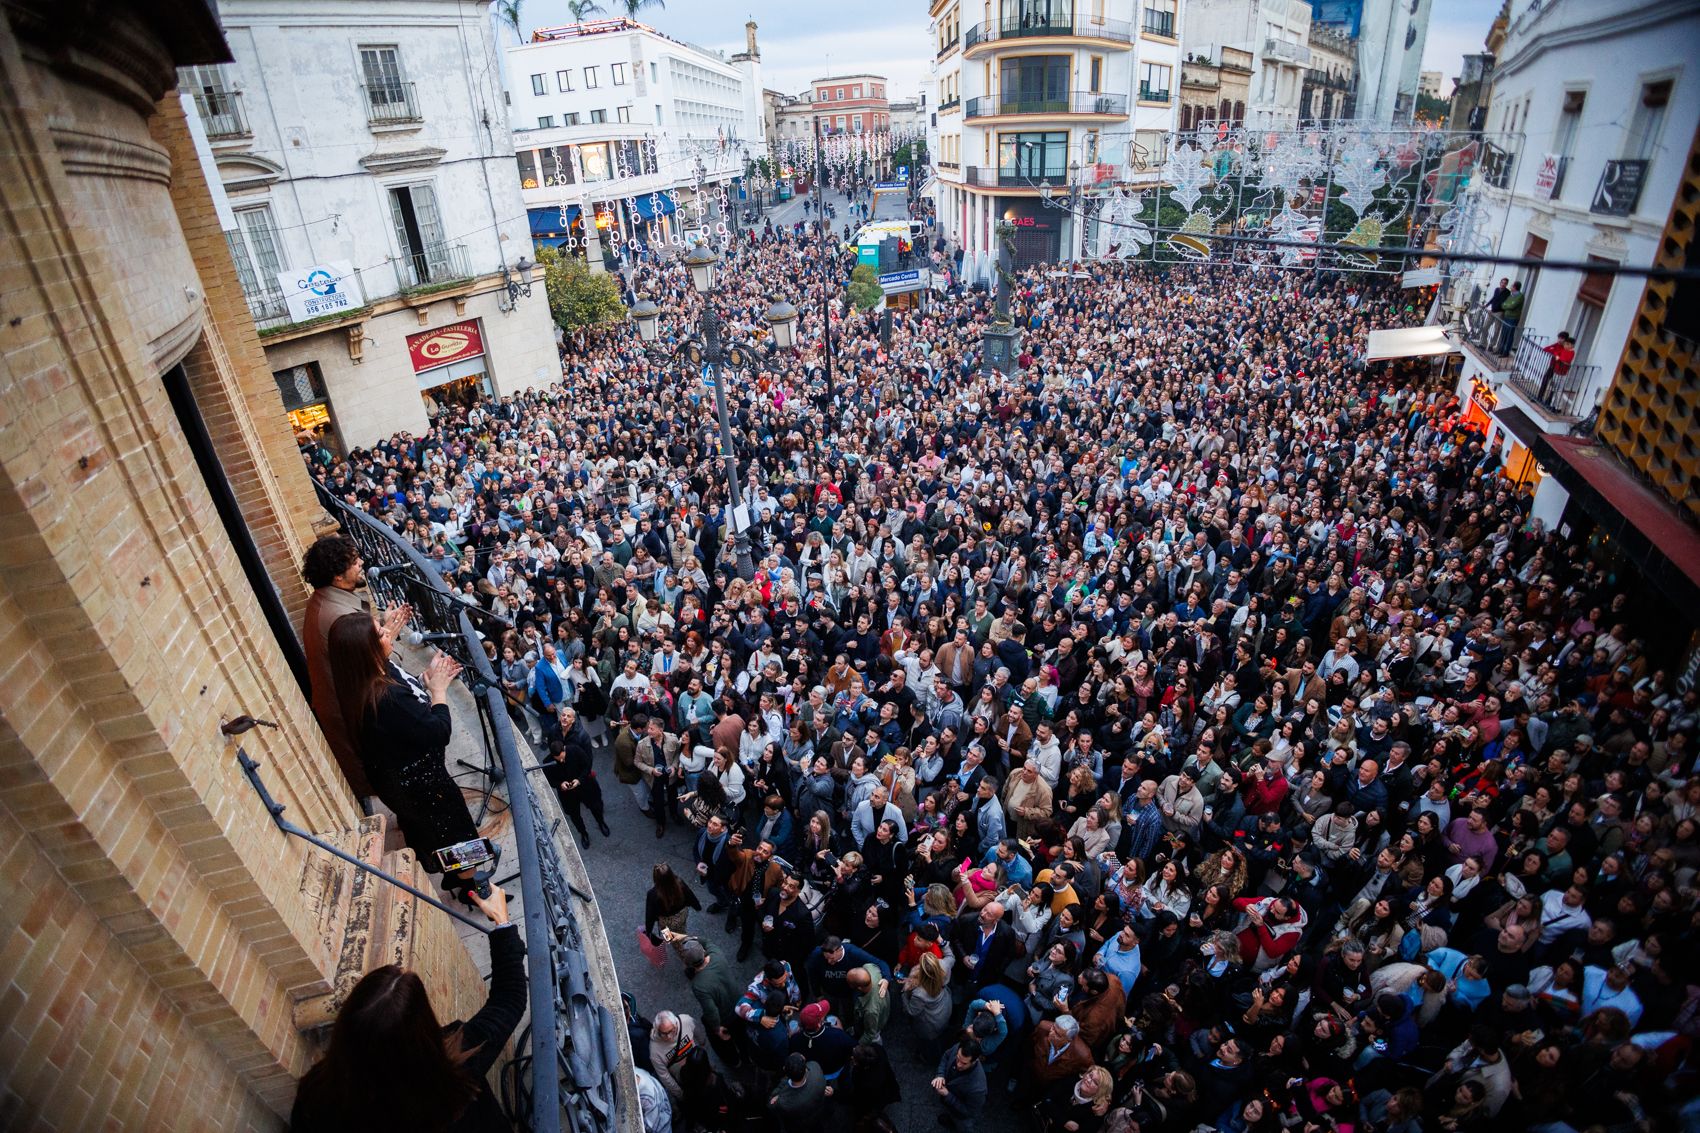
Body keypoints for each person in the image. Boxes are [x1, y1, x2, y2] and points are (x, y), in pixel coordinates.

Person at [291, 885, 523, 1131]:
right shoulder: (455, 1067)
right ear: (423, 1026)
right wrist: (502, 922)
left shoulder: (315, 1098)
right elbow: (509, 1000)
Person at [327, 613, 480, 881]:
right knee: (458, 839)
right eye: (381, 634)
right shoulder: (387, 698)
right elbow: (438, 732)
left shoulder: (363, 682)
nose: (389, 633)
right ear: (366, 650)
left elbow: (406, 709)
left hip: (401, 783)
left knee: (432, 833)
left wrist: (426, 677)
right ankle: (474, 887)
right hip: (422, 787)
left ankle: (453, 874)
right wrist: (439, 690)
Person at [300, 534, 390, 796]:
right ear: (337, 577)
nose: (361, 563)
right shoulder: (339, 617)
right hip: (356, 721)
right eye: (354, 561)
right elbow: (368, 668)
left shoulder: (328, 602)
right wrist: (388, 636)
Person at [542, 717, 611, 848]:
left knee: (595, 807)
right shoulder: (547, 762)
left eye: (562, 758)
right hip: (567, 794)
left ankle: (601, 822)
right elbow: (550, 780)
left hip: (584, 786)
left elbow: (586, 766)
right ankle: (583, 833)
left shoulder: (575, 750)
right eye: (558, 759)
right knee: (575, 816)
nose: (561, 761)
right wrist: (560, 784)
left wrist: (579, 780)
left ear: (564, 750)